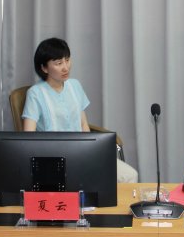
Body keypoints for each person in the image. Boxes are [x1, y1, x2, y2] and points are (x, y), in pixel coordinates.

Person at [22, 37, 139, 183]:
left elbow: (83, 124)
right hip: (53, 159)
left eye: (67, 60)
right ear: (44, 68)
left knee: (130, 175)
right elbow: (28, 137)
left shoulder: (74, 85)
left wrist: (89, 151)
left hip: (82, 153)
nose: (65, 67)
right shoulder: (35, 93)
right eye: (58, 63)